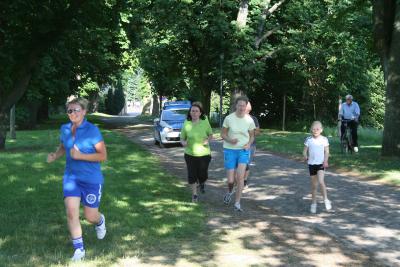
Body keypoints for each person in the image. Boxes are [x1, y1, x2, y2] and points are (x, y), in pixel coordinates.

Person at [47, 98, 107, 261]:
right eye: (69, 111)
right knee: (71, 212)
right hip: (71, 178)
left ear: (84, 111)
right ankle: (79, 249)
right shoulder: (65, 128)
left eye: (76, 110)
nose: (72, 113)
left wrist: (81, 155)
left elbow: (103, 155)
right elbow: (63, 146)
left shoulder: (92, 130)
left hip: (91, 180)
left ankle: (100, 220)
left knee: (90, 216)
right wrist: (55, 155)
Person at [221, 96, 255, 212]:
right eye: (239, 105)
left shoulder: (249, 120)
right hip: (229, 149)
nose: (241, 107)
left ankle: (237, 203)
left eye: (243, 106)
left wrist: (249, 144)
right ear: (236, 105)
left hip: (243, 150)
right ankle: (230, 191)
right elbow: (223, 134)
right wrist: (230, 140)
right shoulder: (229, 118)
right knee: (231, 180)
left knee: (240, 177)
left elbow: (252, 136)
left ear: (246, 107)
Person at [180, 102, 213, 202]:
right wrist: (183, 143)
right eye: (192, 111)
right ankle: (194, 195)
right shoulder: (186, 123)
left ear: (200, 113)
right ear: (190, 112)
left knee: (203, 174)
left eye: (196, 111)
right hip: (190, 154)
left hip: (204, 154)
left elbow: (211, 134)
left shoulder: (205, 121)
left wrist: (207, 140)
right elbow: (182, 138)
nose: (194, 113)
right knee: (192, 174)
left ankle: (202, 182)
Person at [303, 121, 331, 214]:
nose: (315, 130)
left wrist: (326, 160)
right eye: (314, 129)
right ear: (311, 130)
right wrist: (305, 156)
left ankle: (326, 199)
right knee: (314, 186)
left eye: (317, 129)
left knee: (321, 181)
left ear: (321, 130)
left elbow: (326, 151)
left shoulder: (324, 139)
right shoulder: (308, 139)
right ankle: (313, 203)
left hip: (321, 164)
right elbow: (304, 151)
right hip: (311, 164)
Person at [243, 102, 260, 189]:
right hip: (238, 145)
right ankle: (238, 180)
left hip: (251, 145)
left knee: (246, 164)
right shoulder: (237, 118)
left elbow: (257, 132)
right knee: (238, 163)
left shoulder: (254, 119)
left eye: (247, 107)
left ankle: (244, 181)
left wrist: (249, 132)